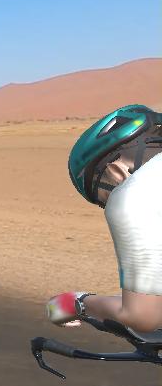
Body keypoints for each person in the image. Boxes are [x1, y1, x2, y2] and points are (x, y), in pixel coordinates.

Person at [47, 104, 162, 332]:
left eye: (104, 197)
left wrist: (75, 303)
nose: (108, 204)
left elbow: (143, 316)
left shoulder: (134, 193)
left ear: (115, 172)